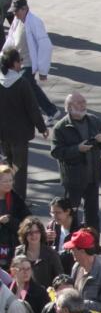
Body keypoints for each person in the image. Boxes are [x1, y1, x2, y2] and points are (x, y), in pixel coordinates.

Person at [49, 93, 101, 229]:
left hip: (92, 175)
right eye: (79, 103)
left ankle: (92, 243)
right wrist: (77, 149)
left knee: (92, 213)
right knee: (71, 212)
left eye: (84, 102)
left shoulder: (94, 120)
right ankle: (71, 241)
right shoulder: (60, 127)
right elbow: (56, 152)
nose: (83, 105)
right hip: (74, 178)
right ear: (69, 107)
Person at [0, 49, 47, 200]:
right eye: (19, 60)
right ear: (14, 64)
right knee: (19, 168)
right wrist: (42, 127)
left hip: (3, 134)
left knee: (8, 165)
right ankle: (18, 200)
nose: (21, 63)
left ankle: (7, 194)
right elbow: (32, 108)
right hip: (19, 135)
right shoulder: (21, 83)